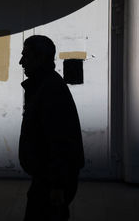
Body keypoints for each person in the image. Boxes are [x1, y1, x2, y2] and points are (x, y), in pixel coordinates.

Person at [18, 35, 85, 221]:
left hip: (53, 180)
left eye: (26, 56)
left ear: (40, 58)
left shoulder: (50, 89)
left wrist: (57, 186)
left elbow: (60, 141)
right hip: (47, 177)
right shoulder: (43, 85)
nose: (21, 61)